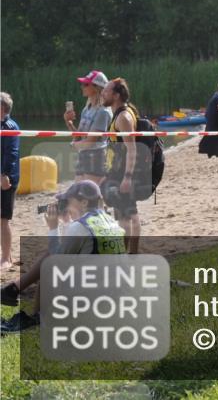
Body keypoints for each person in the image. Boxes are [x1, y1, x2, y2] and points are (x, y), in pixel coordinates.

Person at [0, 180, 125, 334]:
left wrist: (53, 228)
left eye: (68, 201)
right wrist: (67, 223)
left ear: (83, 202)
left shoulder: (80, 227)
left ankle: (38, 317)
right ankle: (14, 292)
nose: (65, 205)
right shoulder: (111, 222)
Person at [101, 78, 143, 254]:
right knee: (127, 214)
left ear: (116, 95)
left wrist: (127, 177)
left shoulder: (124, 117)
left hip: (124, 173)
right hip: (116, 171)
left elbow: (132, 149)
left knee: (126, 216)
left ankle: (127, 254)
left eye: (106, 91)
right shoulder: (118, 114)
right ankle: (131, 254)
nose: (103, 94)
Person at [64, 70, 113, 185]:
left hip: (96, 158)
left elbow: (90, 142)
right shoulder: (86, 109)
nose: (82, 87)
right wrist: (69, 122)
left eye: (86, 84)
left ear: (96, 87)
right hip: (84, 157)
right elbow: (80, 137)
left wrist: (73, 145)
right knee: (79, 195)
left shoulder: (103, 112)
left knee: (91, 197)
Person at [1, 92, 19, 272]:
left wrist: (4, 174)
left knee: (3, 219)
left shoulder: (9, 126)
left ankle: (7, 258)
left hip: (6, 178)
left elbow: (12, 154)